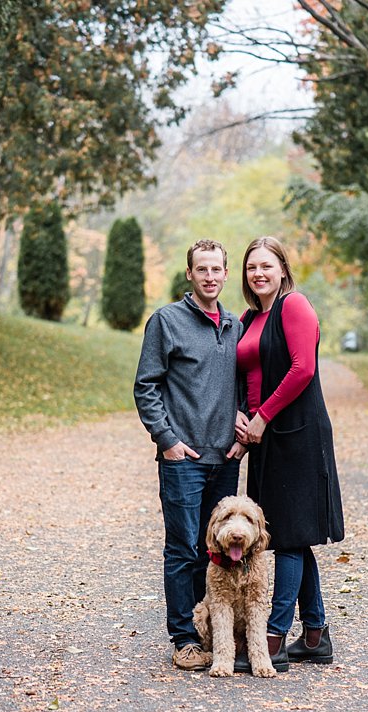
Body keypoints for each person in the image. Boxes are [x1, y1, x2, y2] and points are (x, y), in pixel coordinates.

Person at [134, 238, 246, 670]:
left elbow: (242, 386)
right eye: (202, 269)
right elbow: (146, 385)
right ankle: (184, 639)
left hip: (226, 459)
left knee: (217, 552)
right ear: (190, 274)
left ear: (225, 272)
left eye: (217, 269)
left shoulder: (235, 325)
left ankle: (213, 633)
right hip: (183, 460)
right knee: (183, 549)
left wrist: (244, 427)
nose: (211, 277)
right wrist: (167, 439)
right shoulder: (167, 321)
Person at [233, 236, 344, 671]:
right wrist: (244, 418)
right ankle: (314, 636)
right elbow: (246, 375)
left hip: (296, 435)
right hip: (265, 439)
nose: (258, 273)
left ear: (282, 268)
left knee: (289, 537)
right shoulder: (248, 317)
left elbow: (303, 369)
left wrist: (262, 417)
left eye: (266, 265)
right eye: (251, 268)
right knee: (288, 534)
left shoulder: (294, 306)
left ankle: (273, 638)